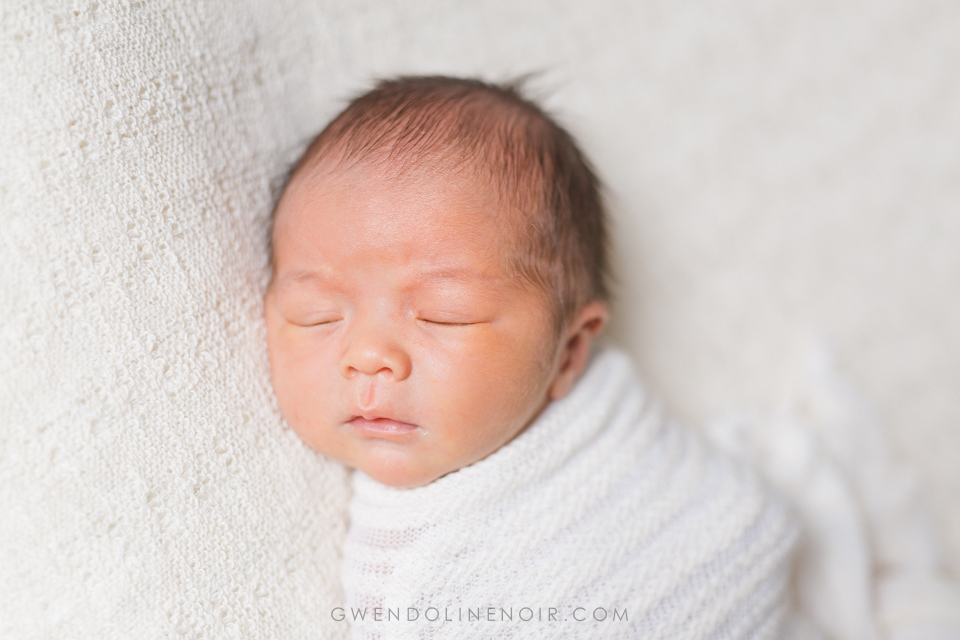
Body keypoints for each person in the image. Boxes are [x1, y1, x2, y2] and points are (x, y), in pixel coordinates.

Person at [265, 76, 797, 639]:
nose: (369, 356)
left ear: (569, 353)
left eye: (446, 314)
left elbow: (735, 532)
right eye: (316, 313)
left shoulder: (613, 434)